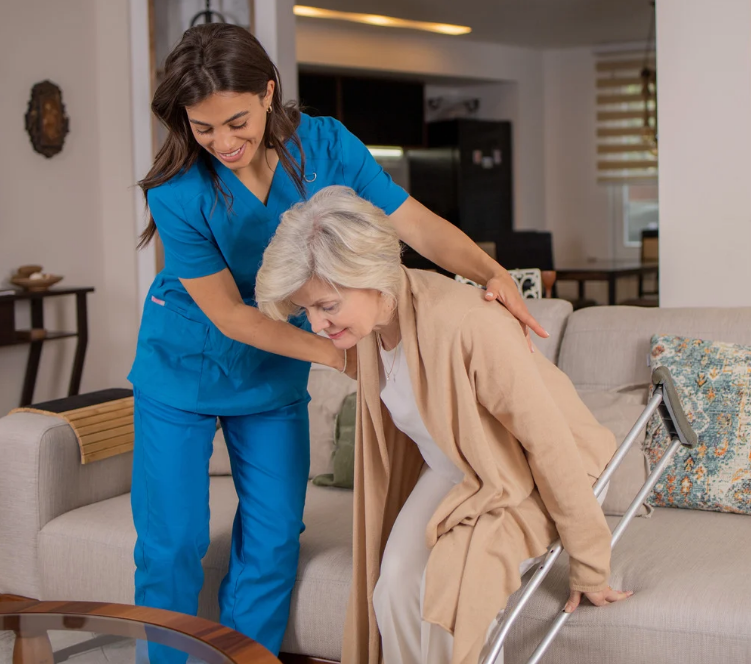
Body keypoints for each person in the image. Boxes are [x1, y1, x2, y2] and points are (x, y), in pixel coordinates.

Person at [127, 23, 547, 660]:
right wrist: (344, 355)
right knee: (173, 541)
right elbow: (232, 317)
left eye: (236, 121)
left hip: (272, 370)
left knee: (272, 538)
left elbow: (414, 224)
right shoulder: (178, 191)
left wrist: (490, 272)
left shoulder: (323, 146)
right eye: (203, 129)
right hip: (183, 361)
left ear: (268, 92)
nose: (223, 143)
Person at [255, 186, 632, 664]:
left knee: (446, 597)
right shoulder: (369, 333)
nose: (317, 325)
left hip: (524, 471)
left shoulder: (467, 325)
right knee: (391, 585)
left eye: (327, 306)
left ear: (374, 277)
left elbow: (549, 443)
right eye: (306, 310)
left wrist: (591, 564)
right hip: (455, 464)